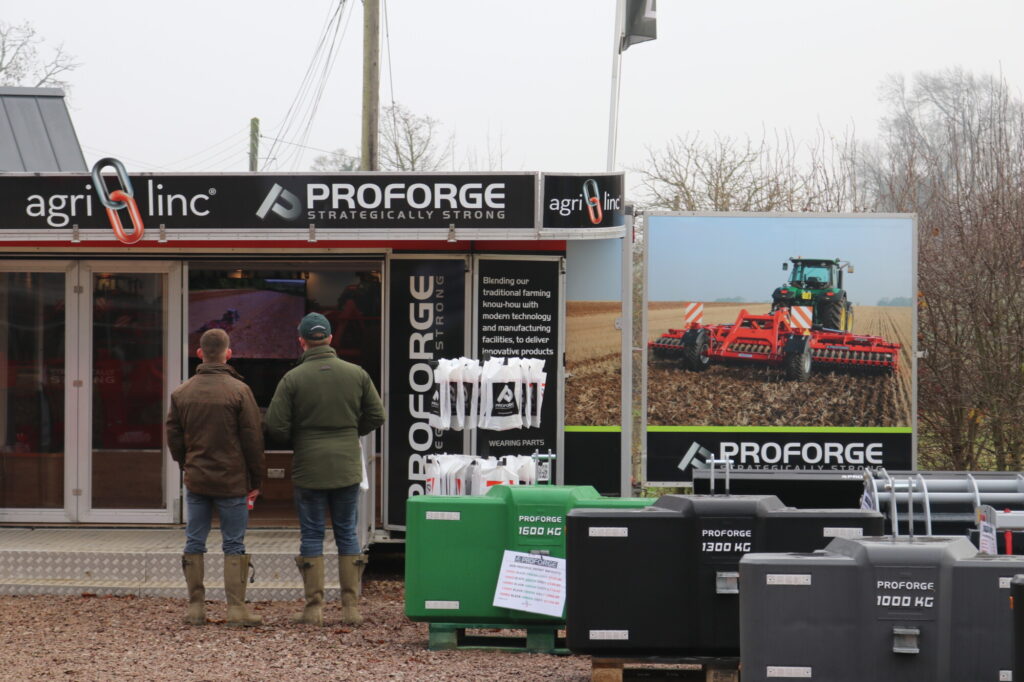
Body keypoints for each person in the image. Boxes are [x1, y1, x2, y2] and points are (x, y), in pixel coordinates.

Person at [264, 312, 385, 626]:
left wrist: (302, 435)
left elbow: (275, 425)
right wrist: (350, 430)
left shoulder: (293, 378)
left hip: (309, 464)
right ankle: (350, 608)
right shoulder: (356, 374)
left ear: (301, 341)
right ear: (330, 338)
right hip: (346, 463)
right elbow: (377, 415)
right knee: (347, 532)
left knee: (312, 534)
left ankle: (314, 608)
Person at [166, 328, 265, 627]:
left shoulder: (182, 392)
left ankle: (196, 608)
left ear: (199, 353)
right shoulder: (239, 391)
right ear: (228, 354)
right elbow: (252, 439)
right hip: (232, 480)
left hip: (197, 479)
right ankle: (236, 609)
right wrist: (256, 479)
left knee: (195, 541)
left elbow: (174, 436)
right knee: (233, 544)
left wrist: (188, 464)